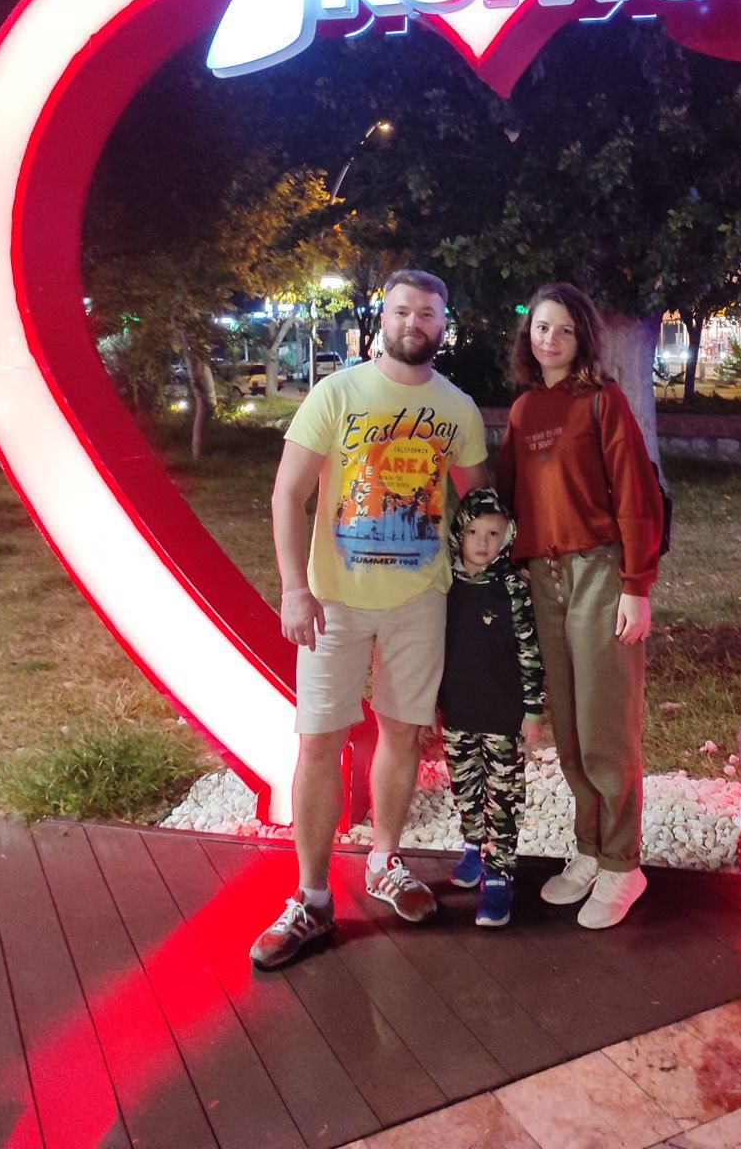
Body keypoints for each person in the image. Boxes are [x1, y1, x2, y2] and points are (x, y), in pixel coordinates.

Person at [250, 269, 489, 968]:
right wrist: (294, 590)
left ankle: (385, 860)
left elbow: (479, 507)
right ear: (382, 318)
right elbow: (287, 494)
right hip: (335, 601)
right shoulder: (338, 393)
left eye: (429, 313)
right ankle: (312, 897)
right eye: (403, 310)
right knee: (320, 741)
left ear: (443, 324)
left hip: (420, 600)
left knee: (402, 733)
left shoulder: (457, 409)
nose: (415, 323)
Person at [496, 283, 663, 930]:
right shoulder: (523, 410)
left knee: (604, 727)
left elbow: (636, 495)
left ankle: (624, 864)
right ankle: (590, 850)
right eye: (542, 327)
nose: (552, 339)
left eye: (565, 329)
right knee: (568, 728)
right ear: (528, 335)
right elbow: (509, 500)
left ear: (582, 338)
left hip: (598, 573)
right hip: (543, 579)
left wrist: (636, 586)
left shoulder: (603, 401)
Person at [438, 486, 544, 928]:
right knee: (465, 786)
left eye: (493, 533)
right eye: (473, 532)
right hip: (457, 711)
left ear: (508, 537)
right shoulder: (444, 586)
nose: (482, 542)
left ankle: (499, 873)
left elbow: (530, 652)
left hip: (503, 716)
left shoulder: (514, 589)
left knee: (503, 796)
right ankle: (472, 847)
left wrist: (533, 712)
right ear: (458, 534)